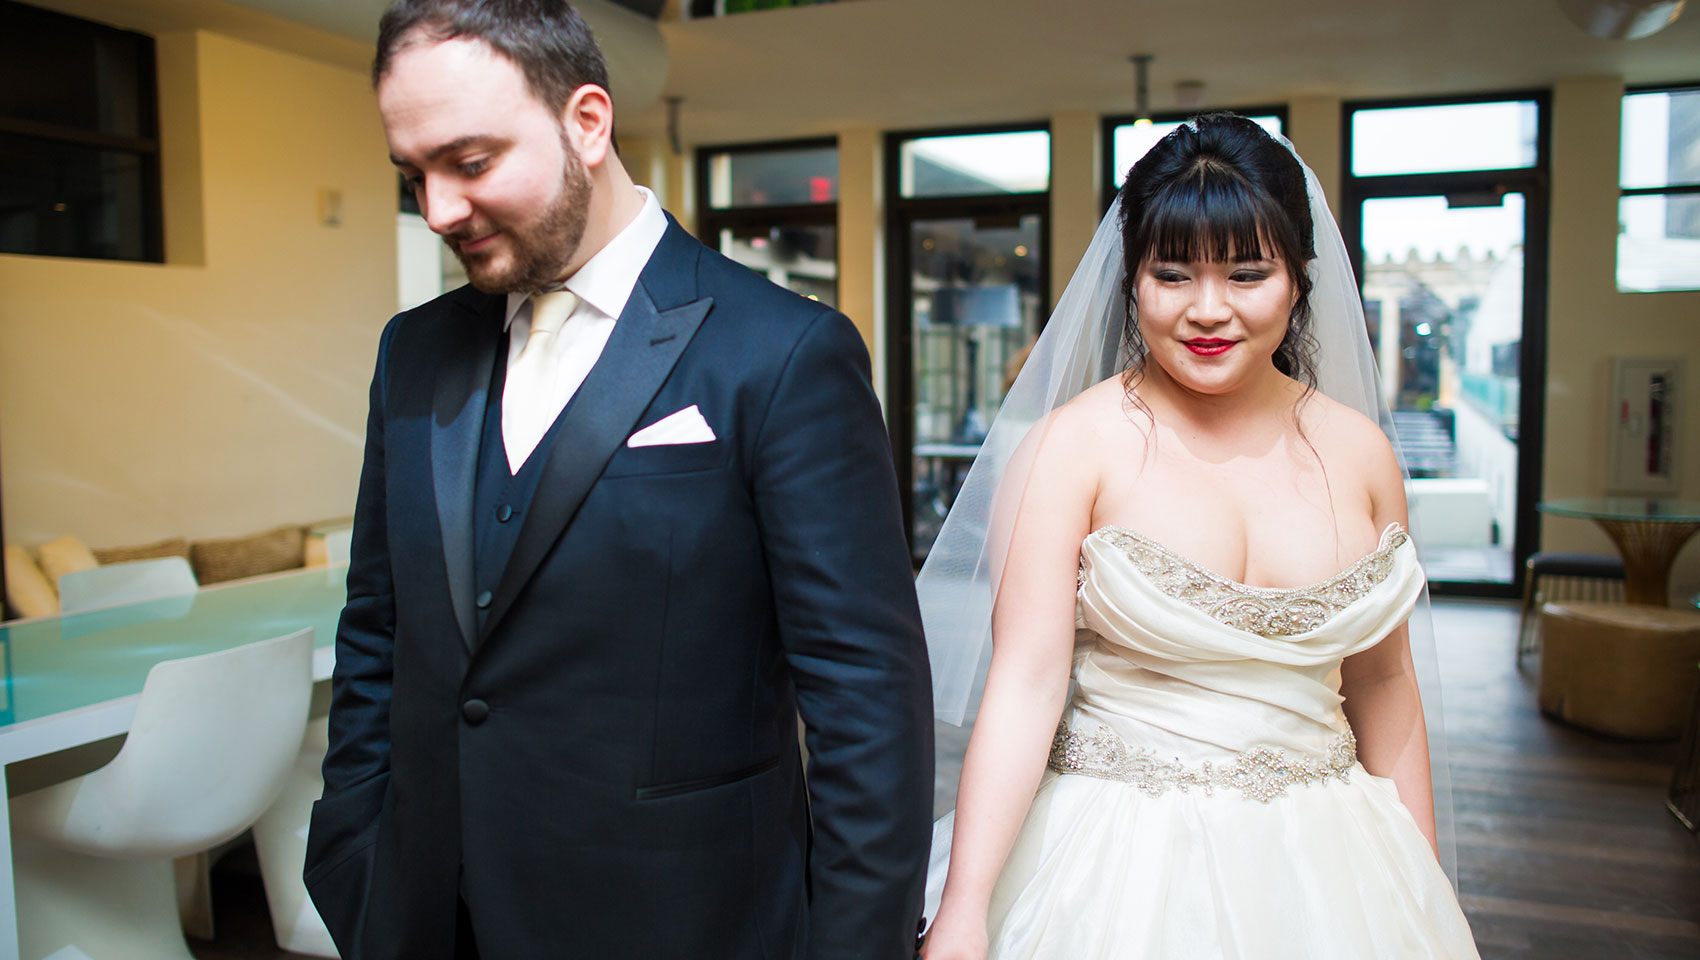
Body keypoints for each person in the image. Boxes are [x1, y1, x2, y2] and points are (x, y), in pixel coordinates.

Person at [303, 2, 934, 957]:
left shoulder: (782, 353)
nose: (437, 211)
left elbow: (864, 701)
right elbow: (377, 629)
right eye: (413, 176)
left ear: (587, 122)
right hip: (427, 913)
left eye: (470, 164)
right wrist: (355, 856)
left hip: (684, 918)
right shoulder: (415, 351)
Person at [917, 115, 1480, 959]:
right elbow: (1025, 684)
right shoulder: (1070, 448)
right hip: (1115, 865)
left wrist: (1423, 878)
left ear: (1299, 278)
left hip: (1333, 864)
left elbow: (1386, 684)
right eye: (1172, 274)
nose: (1207, 311)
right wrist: (964, 907)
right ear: (1132, 279)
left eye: (1248, 273)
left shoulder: (1362, 455)